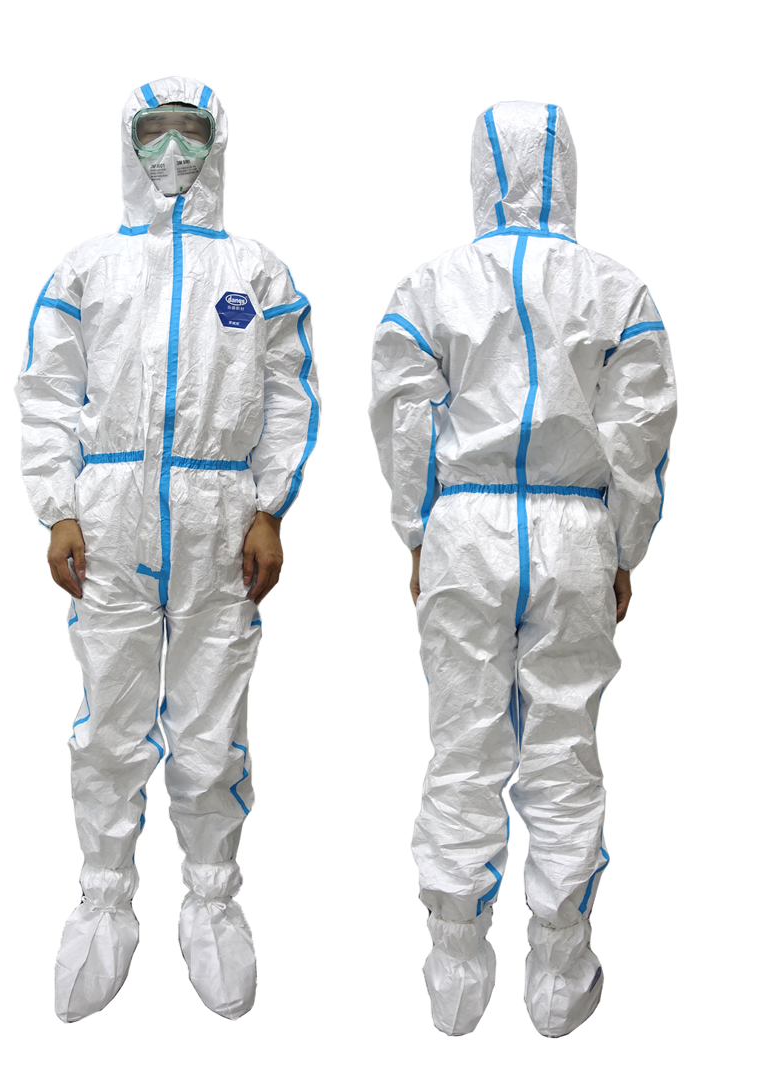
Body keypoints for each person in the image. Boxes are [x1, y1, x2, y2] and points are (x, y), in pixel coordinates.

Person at [14, 76, 321, 1024]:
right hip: (109, 512)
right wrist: (58, 509)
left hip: (218, 514)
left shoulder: (257, 271)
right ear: (128, 142)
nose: (174, 152)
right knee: (108, 714)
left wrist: (269, 508)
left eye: (192, 132)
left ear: (219, 142)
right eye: (156, 132)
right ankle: (104, 896)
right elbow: (46, 391)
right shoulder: (88, 267)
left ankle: (211, 895)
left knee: (212, 714)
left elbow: (291, 393)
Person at [368, 100, 677, 1038]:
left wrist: (417, 529)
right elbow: (640, 431)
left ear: (476, 171)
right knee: (565, 744)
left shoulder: (429, 286)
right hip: (573, 525)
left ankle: (455, 960)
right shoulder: (618, 289)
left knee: (463, 742)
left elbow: (404, 416)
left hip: (464, 526)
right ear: (569, 169)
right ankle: (560, 964)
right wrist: (624, 542)